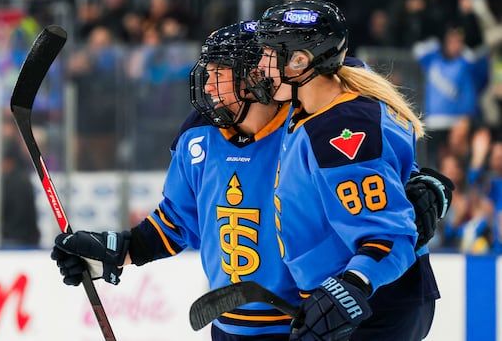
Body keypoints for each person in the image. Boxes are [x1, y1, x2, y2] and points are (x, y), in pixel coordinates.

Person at [51, 20, 451, 341]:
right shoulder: (199, 135)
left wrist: (425, 187)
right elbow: (178, 221)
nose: (207, 86)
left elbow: (380, 177)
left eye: (218, 75)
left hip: (310, 321)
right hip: (233, 326)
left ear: (253, 78)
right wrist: (118, 250)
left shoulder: (310, 124)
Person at [255, 0, 444, 341]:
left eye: (269, 55)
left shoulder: (341, 131)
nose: (262, 66)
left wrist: (351, 287)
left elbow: (390, 238)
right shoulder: (331, 87)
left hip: (375, 307)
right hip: (344, 301)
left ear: (300, 61)